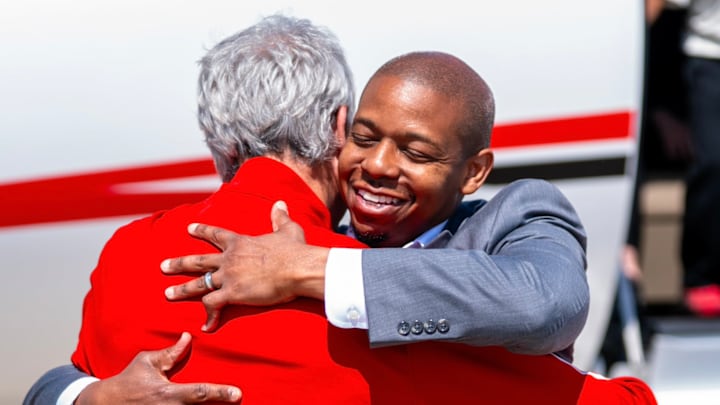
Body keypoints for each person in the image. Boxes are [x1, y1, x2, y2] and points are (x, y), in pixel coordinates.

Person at [26, 16, 656, 404]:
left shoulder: (518, 215)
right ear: (338, 127)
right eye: (365, 136)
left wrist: (311, 270)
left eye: (415, 150)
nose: (379, 166)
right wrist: (82, 399)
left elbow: (544, 304)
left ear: (476, 172)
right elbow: (73, 378)